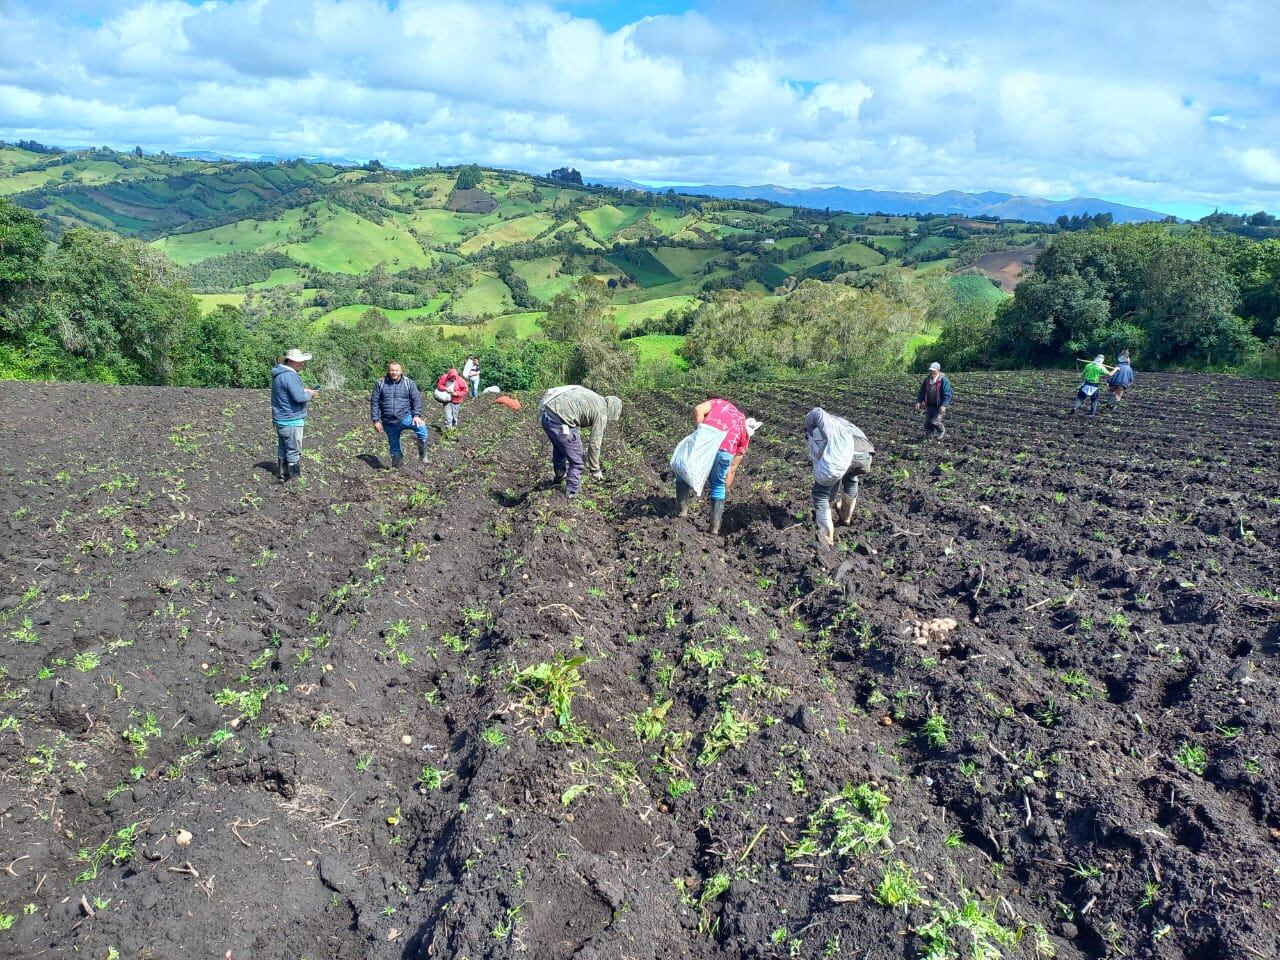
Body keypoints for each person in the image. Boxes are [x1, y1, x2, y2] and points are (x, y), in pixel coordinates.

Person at [675, 398, 759, 535]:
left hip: (705, 443)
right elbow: (731, 470)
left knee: (683, 473)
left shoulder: (720, 403)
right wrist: (721, 492)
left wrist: (700, 433)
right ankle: (714, 528)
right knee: (718, 485)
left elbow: (698, 410)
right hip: (726, 452)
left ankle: (681, 513)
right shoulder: (744, 434)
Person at [804, 408, 874, 546]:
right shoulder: (840, 423)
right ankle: (846, 517)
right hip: (865, 453)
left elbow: (817, 413)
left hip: (845, 451)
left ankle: (826, 535)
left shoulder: (818, 427)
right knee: (851, 477)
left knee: (820, 492)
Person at [538, 385, 623, 498]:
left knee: (560, 448)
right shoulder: (602, 411)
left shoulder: (595, 397)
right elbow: (595, 443)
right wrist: (595, 469)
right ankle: (571, 493)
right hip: (561, 422)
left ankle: (558, 477)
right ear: (612, 410)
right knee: (577, 461)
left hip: (547, 416)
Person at [271, 348, 318, 483]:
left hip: (280, 420)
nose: (302, 364)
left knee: (282, 448)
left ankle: (282, 476)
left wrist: (304, 390)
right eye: (300, 361)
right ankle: (294, 480)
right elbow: (299, 397)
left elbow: (287, 392)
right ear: (291, 361)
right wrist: (310, 394)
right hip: (292, 419)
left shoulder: (279, 375)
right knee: (293, 450)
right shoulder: (290, 376)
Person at [370, 361, 428, 468]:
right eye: (392, 370)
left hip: (405, 417)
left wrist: (416, 415)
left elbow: (416, 400)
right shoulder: (380, 383)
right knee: (394, 447)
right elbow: (375, 402)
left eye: (396, 370)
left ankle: (423, 457)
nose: (394, 372)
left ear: (401, 371)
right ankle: (398, 469)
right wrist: (376, 421)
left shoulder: (408, 383)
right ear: (388, 371)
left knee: (422, 428)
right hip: (388, 421)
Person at [916, 362, 953, 440]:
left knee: (935, 421)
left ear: (938, 370)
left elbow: (947, 394)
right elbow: (922, 392)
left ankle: (942, 431)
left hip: (939, 406)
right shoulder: (927, 380)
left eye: (934, 371)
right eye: (931, 371)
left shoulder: (943, 381)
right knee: (927, 423)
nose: (932, 373)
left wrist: (944, 405)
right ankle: (929, 437)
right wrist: (919, 401)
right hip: (929, 405)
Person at [435, 367, 469, 431]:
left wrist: (457, 394)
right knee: (448, 416)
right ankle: (448, 429)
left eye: (454, 378)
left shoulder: (461, 381)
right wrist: (445, 388)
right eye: (451, 378)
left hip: (456, 401)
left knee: (454, 416)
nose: (452, 380)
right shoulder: (444, 378)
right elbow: (439, 385)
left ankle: (453, 428)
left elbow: (465, 390)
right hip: (447, 400)